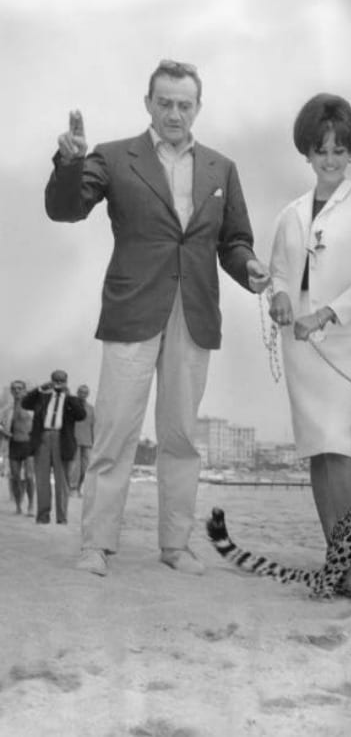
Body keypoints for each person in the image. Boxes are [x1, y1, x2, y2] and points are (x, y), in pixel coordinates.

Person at [45, 59, 270, 577]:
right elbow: (66, 210)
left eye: (184, 104)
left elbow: (235, 241)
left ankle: (176, 545)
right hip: (132, 310)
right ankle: (96, 546)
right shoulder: (114, 156)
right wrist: (68, 162)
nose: (174, 113)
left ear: (198, 107)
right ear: (148, 102)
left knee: (182, 437)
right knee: (116, 433)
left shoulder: (221, 168)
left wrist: (251, 267)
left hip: (193, 314)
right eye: (164, 102)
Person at [269, 93, 351, 543]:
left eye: (341, 150)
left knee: (338, 442)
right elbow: (280, 271)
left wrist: (322, 314)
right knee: (316, 449)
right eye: (322, 150)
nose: (331, 159)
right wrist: (280, 297)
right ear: (307, 152)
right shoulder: (290, 214)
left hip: (345, 339)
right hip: (299, 341)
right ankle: (338, 551)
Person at [22, 370, 86, 524]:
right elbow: (25, 403)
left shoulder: (72, 399)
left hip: (62, 440)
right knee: (42, 479)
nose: (58, 383)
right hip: (43, 437)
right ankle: (43, 516)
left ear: (66, 381)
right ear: (51, 380)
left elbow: (81, 415)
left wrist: (68, 395)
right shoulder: (42, 397)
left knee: (62, 480)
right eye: (55, 380)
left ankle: (62, 517)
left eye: (61, 380)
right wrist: (40, 388)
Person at [0, 380, 35, 515]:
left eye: (20, 388)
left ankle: (31, 505)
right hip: (13, 445)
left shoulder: (31, 408)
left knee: (29, 476)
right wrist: (4, 432)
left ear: (24, 390)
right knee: (15, 477)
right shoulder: (7, 409)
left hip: (28, 444)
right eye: (14, 389)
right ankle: (19, 505)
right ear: (11, 391)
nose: (17, 391)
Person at [69, 385, 95, 496]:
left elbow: (93, 426)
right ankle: (72, 488)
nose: (82, 394)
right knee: (74, 466)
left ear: (88, 394)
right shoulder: (71, 407)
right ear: (77, 392)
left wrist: (94, 441)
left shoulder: (91, 409)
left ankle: (79, 487)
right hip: (74, 439)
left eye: (85, 393)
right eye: (81, 392)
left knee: (85, 467)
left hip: (87, 441)